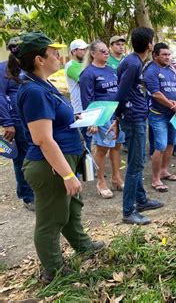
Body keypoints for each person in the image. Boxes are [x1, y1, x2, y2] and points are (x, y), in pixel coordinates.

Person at [8, 31, 103, 283]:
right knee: (52, 218)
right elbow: (43, 139)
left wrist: (76, 118)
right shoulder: (34, 91)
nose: (59, 56)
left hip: (62, 158)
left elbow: (54, 122)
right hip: (48, 165)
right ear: (40, 59)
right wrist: (68, 174)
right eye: (53, 52)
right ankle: (53, 270)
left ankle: (83, 245)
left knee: (72, 207)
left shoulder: (43, 84)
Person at [111, 27, 164, 225]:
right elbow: (121, 93)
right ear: (149, 45)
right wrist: (117, 119)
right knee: (135, 165)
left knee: (138, 160)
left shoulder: (133, 61)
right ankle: (128, 211)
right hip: (134, 118)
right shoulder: (133, 63)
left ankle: (141, 200)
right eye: (152, 41)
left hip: (136, 115)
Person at [79, 40, 125, 199]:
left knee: (117, 146)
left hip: (116, 114)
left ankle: (116, 177)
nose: (107, 53)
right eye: (103, 51)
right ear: (93, 53)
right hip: (102, 116)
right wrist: (93, 121)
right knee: (102, 148)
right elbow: (87, 99)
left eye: (107, 51)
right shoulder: (88, 73)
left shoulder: (111, 70)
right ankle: (100, 182)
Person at [143, 43, 176, 191]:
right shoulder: (151, 71)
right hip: (158, 115)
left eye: (169, 54)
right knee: (160, 145)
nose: (168, 57)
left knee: (171, 143)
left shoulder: (171, 70)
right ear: (155, 55)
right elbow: (156, 93)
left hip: (173, 114)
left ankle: (164, 170)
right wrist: (172, 105)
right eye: (164, 55)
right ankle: (155, 179)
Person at [0, 38, 35, 210]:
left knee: (34, 156)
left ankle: (34, 191)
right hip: (16, 122)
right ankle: (28, 196)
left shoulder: (28, 68)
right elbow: (0, 96)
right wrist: (7, 123)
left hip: (33, 120)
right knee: (21, 159)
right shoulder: (3, 69)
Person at [64, 39, 91, 150]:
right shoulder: (71, 65)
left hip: (86, 107)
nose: (85, 52)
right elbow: (85, 81)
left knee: (89, 139)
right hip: (79, 108)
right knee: (84, 140)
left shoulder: (84, 64)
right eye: (82, 49)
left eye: (86, 49)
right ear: (74, 51)